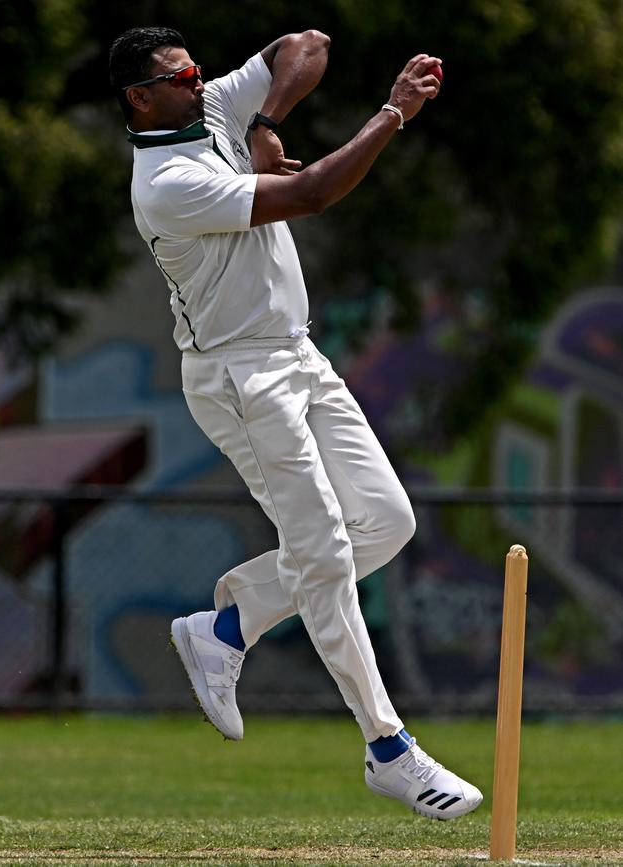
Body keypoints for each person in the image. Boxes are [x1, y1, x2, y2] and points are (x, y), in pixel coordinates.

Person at [109, 26, 482, 821]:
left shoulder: (209, 111)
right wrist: (393, 113)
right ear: (142, 98)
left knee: (386, 519)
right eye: (181, 78)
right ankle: (390, 749)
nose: (200, 83)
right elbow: (310, 194)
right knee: (325, 550)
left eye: (199, 70)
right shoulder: (165, 180)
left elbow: (303, 45)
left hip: (297, 354)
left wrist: (263, 120)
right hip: (241, 376)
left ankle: (229, 624)